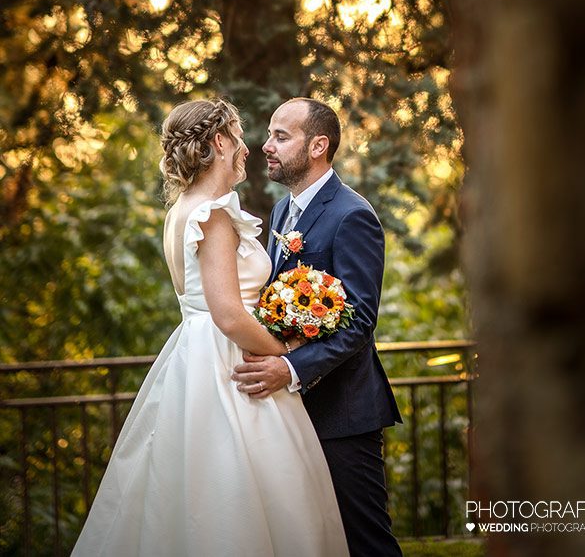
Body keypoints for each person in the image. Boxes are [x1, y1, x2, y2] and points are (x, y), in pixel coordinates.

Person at [72, 98, 348, 557]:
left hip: (194, 355)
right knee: (245, 481)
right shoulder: (212, 215)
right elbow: (229, 314)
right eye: (238, 137)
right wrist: (286, 354)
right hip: (229, 360)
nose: (248, 148)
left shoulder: (182, 209)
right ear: (219, 142)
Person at [232, 97, 403, 557]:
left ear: (317, 146)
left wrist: (289, 369)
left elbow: (359, 321)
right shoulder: (281, 213)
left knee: (365, 540)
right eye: (269, 134)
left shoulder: (352, 214)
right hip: (291, 413)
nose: (266, 146)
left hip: (342, 412)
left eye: (281, 136)